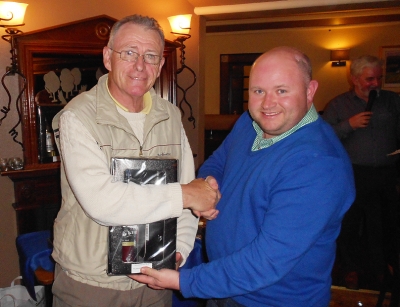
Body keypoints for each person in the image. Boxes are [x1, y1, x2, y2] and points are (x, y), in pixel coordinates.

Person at [132, 46, 355, 307]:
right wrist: (208, 185)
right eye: (258, 91)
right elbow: (217, 161)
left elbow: (267, 261)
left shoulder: (319, 166)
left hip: (271, 300)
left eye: (282, 91)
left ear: (310, 91)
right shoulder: (250, 123)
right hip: (224, 288)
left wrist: (184, 282)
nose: (268, 103)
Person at [51, 14, 220, 307]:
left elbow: (187, 199)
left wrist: (178, 249)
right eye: (129, 53)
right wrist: (188, 194)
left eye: (151, 55)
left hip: (156, 280)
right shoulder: (77, 117)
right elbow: (103, 202)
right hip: (92, 285)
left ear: (161, 65)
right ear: (108, 57)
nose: (140, 65)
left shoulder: (170, 115)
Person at [322, 55, 400, 290]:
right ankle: (350, 269)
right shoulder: (338, 104)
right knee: (350, 225)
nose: (375, 83)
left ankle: (382, 270)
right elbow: (323, 137)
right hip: (353, 174)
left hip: (386, 173)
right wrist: (349, 125)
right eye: (369, 79)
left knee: (384, 224)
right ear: (354, 79)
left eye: (379, 78)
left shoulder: (393, 101)